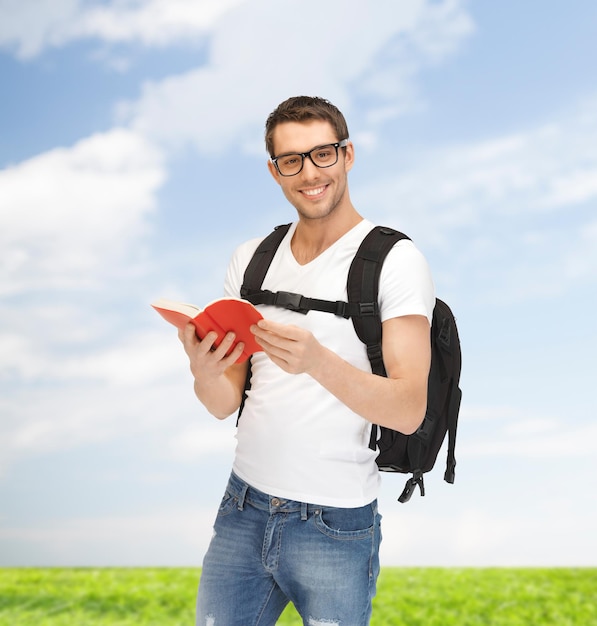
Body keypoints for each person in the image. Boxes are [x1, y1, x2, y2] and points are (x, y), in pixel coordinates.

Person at [178, 96, 435, 626]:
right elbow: (224, 403)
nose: (310, 173)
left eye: (323, 154)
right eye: (292, 160)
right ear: (275, 171)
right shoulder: (250, 260)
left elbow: (409, 409)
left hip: (335, 524)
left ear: (348, 155)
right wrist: (204, 372)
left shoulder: (395, 261)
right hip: (242, 509)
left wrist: (318, 361)